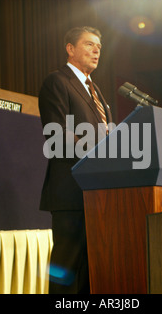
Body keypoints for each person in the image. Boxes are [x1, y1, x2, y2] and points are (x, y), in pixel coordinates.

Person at [38, 26, 112, 294]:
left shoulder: (97, 91)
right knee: (66, 272)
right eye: (89, 44)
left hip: (96, 194)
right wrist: (101, 153)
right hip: (71, 192)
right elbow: (57, 136)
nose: (96, 50)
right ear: (70, 49)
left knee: (90, 273)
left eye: (99, 47)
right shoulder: (57, 82)